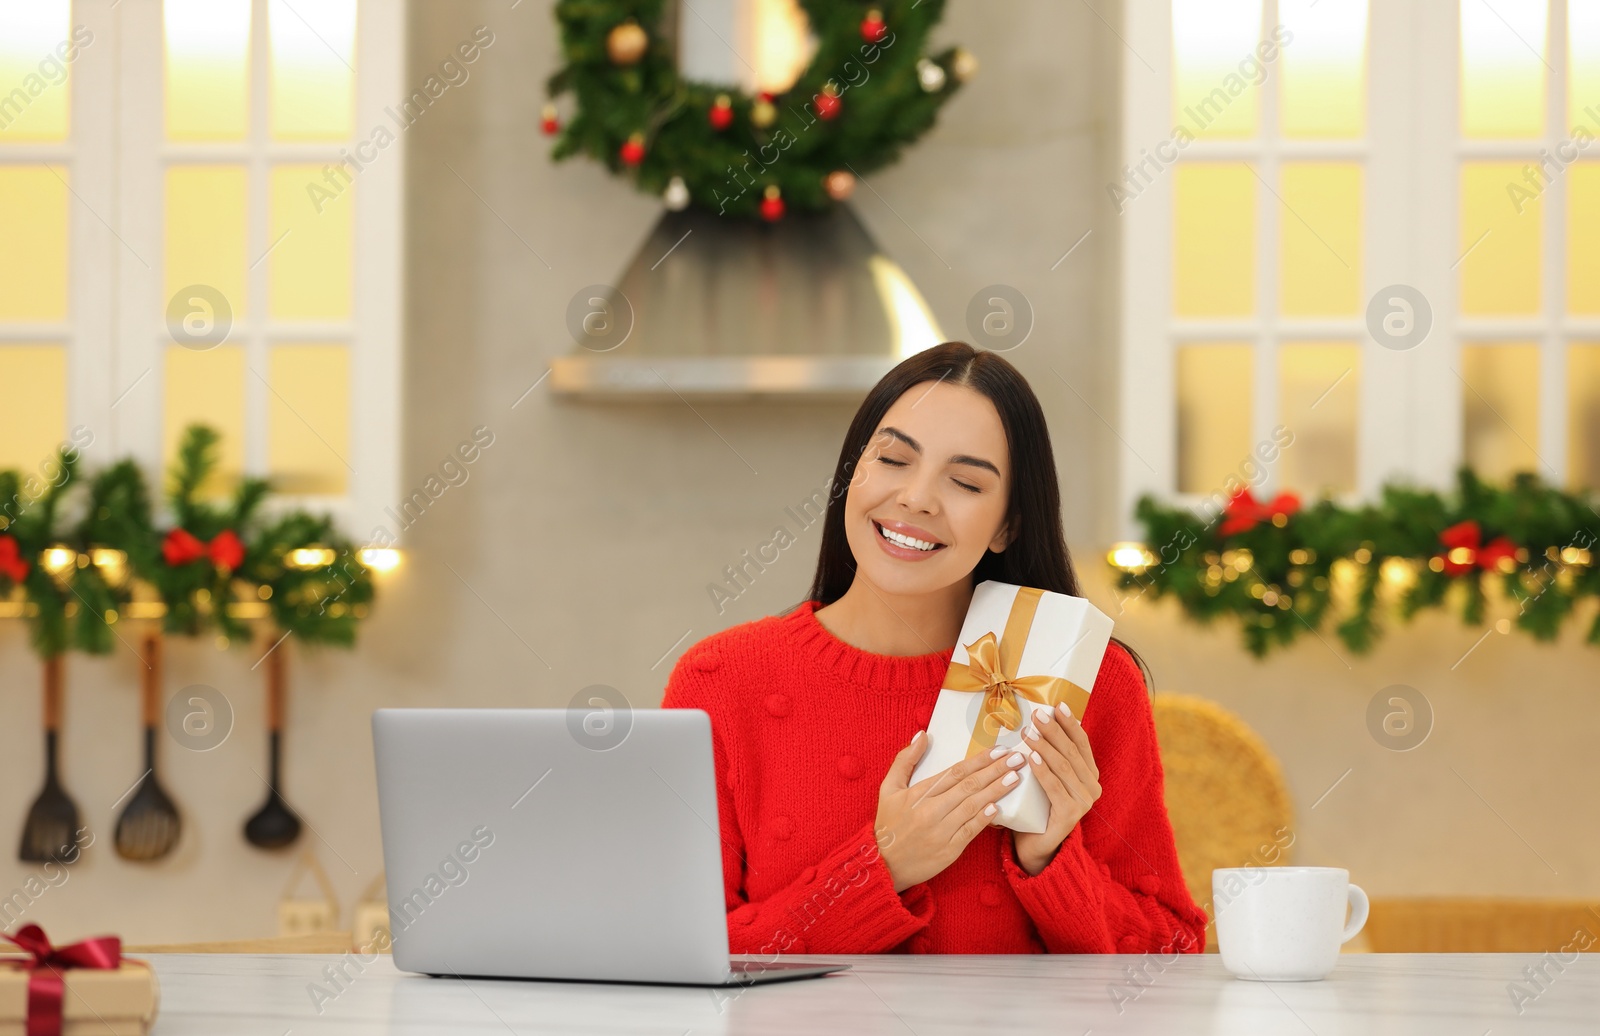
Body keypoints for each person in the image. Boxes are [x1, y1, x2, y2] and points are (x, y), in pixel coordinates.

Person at [661, 341, 1206, 956]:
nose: (917, 498)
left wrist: (1051, 859)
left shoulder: (1088, 682)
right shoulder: (723, 680)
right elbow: (680, 953)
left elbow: (1173, 958)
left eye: (966, 481)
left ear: (1008, 524)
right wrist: (883, 868)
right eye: (893, 459)